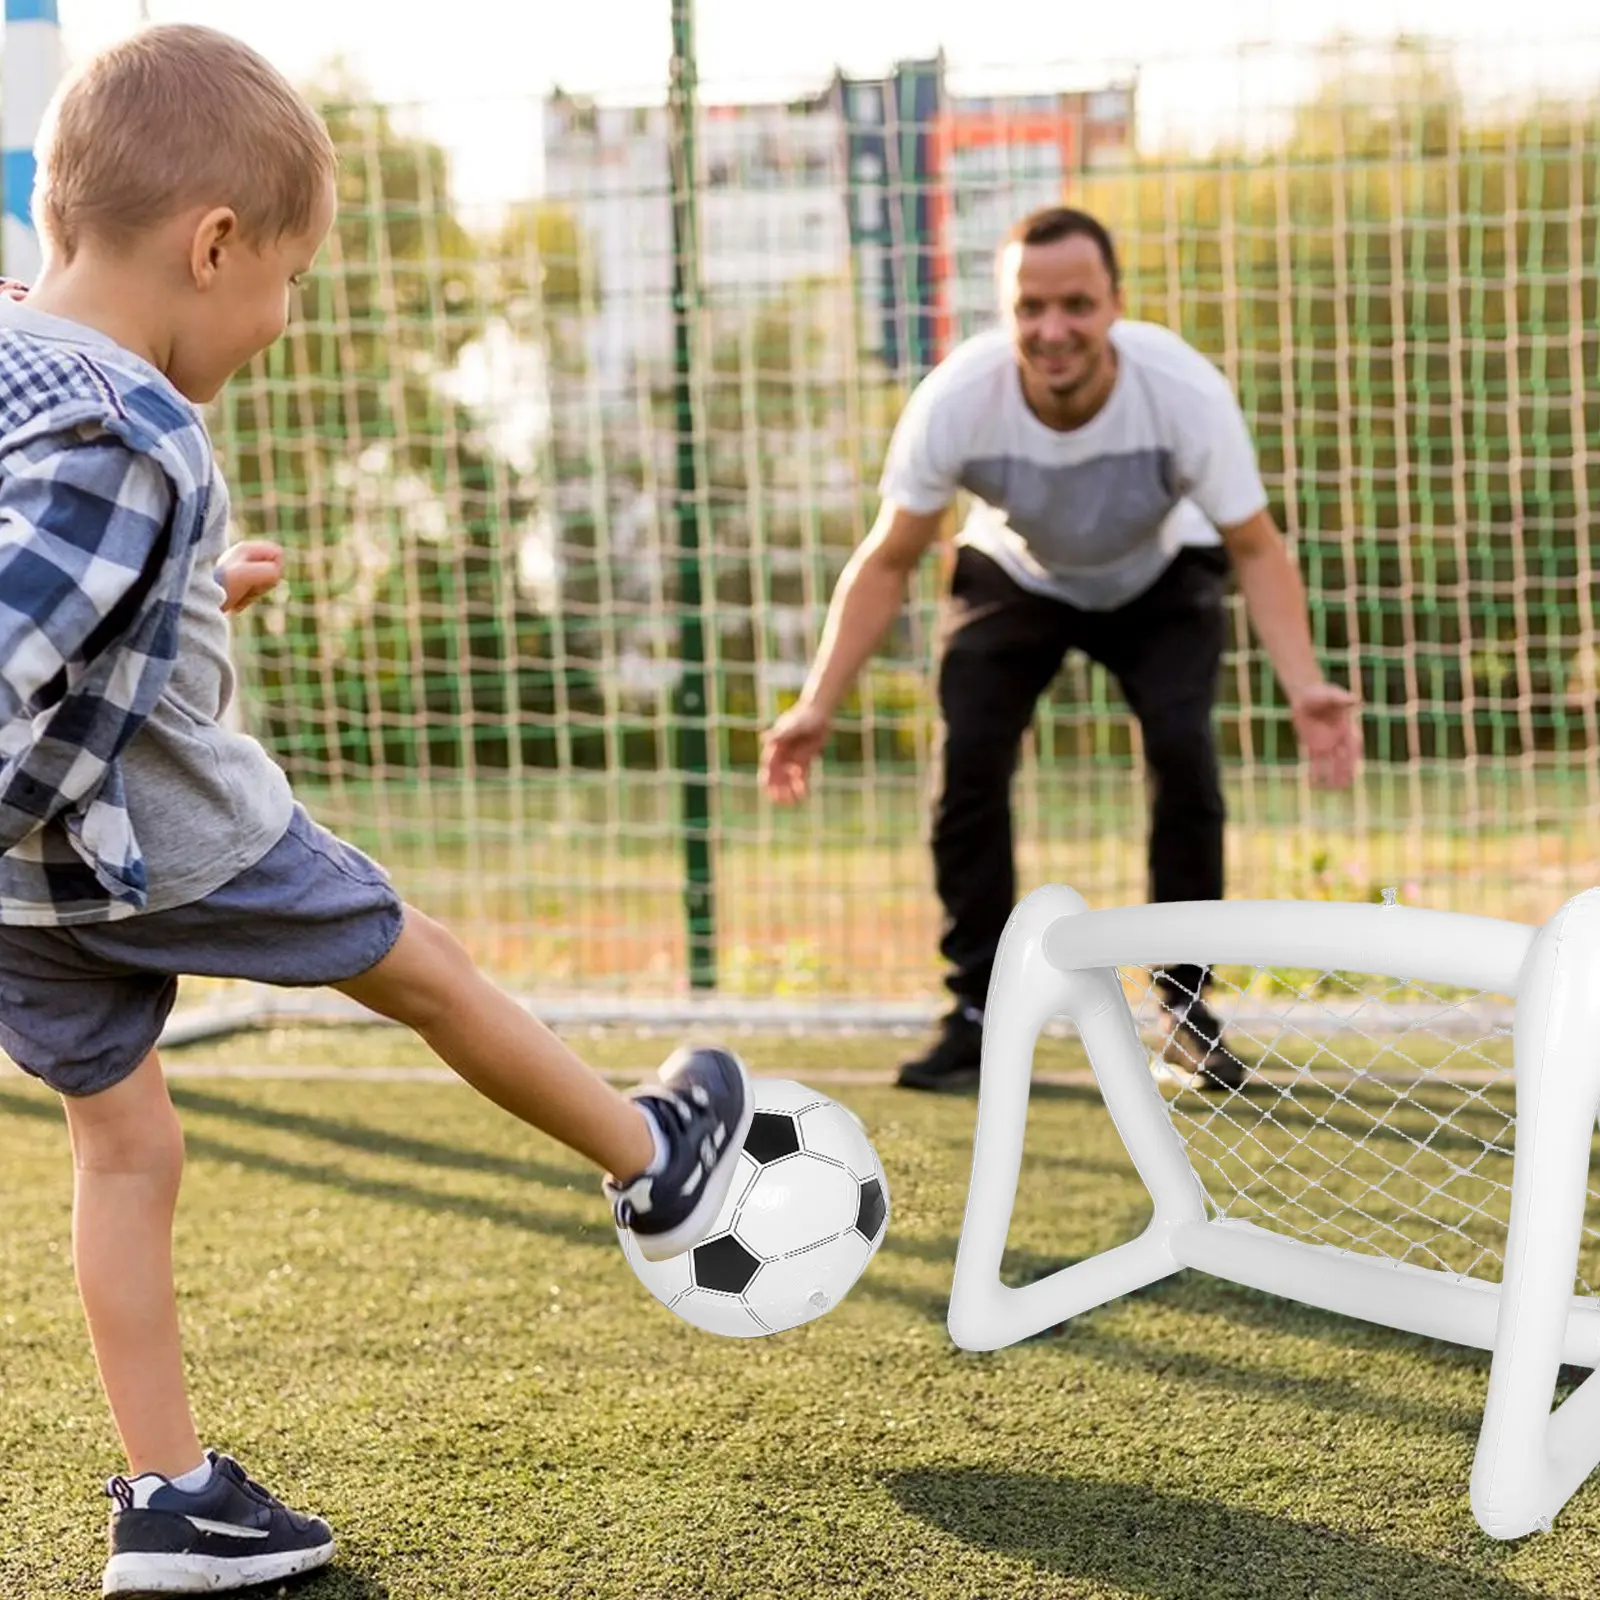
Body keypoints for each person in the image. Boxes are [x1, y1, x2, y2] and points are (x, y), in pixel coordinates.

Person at [0, 25, 751, 1597]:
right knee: (418, 962)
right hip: (168, 833)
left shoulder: (16, 365)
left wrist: (192, 593)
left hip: (25, 888)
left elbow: (58, 604)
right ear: (213, 247)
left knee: (123, 1147)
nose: (284, 315)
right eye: (288, 276)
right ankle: (653, 1156)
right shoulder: (130, 436)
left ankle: (168, 1496)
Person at [760, 205, 1359, 1093]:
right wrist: (816, 703)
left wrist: (1306, 685)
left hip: (1158, 574)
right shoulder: (958, 401)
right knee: (967, 762)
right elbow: (889, 558)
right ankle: (978, 1012)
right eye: (1029, 308)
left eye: (1076, 304)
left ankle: (1185, 1010)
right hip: (1018, 574)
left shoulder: (1182, 392)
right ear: (1005, 310)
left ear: (1115, 303)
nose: (1053, 330)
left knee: (1184, 754)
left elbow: (1257, 547)